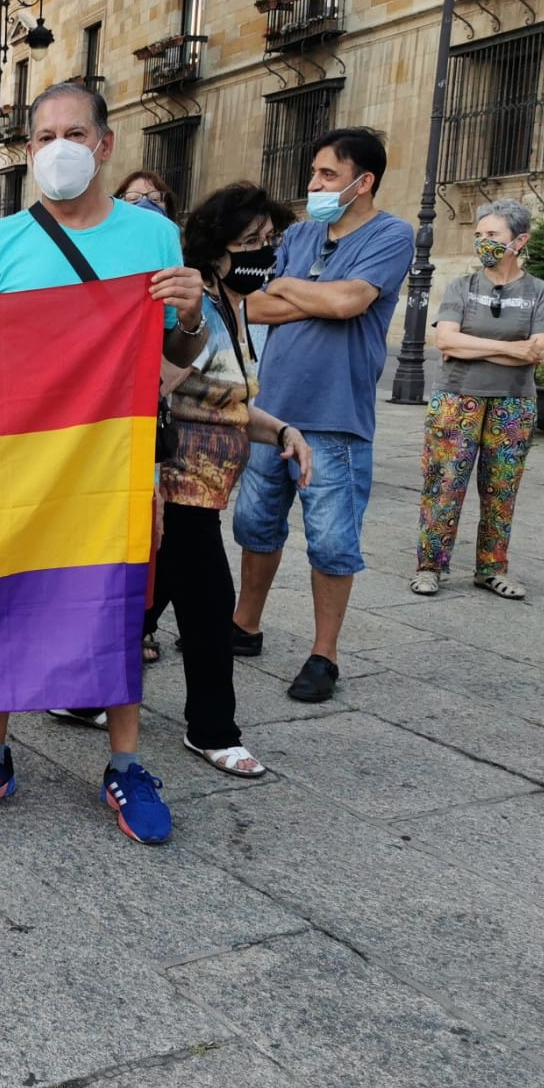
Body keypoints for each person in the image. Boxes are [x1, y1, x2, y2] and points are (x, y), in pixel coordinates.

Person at [0, 81, 207, 842]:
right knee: (2, 594)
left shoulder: (152, 237)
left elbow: (171, 357)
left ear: (105, 145)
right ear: (27, 152)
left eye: (75, 134)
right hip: (15, 457)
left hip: (113, 460)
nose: (60, 148)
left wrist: (191, 313)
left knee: (116, 602)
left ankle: (124, 764)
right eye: (45, 135)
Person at [232, 128, 414, 703]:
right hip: (272, 406)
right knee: (255, 526)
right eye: (314, 173)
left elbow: (349, 302)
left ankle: (323, 654)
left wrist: (294, 289)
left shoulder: (393, 234)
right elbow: (251, 305)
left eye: (328, 176)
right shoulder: (301, 234)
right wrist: (309, 295)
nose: (314, 185)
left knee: (333, 542)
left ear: (365, 182)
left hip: (335, 417)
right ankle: (244, 626)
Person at [146, 183, 313, 777]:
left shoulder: (234, 303)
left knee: (147, 601)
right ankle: (213, 730)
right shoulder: (198, 309)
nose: (263, 253)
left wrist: (283, 430)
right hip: (179, 484)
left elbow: (230, 404)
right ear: (215, 246)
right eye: (250, 242)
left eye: (268, 241)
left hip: (208, 486)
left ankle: (85, 694)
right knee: (211, 607)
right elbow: (155, 389)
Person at [412, 199, 544, 600]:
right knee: (444, 484)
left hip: (514, 403)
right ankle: (429, 567)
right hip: (458, 398)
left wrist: (470, 346)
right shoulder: (463, 286)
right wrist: (513, 348)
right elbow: (445, 339)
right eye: (479, 235)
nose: (483, 242)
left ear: (519, 240)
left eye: (492, 235)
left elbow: (539, 351)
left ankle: (491, 568)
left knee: (501, 489)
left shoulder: (539, 292)